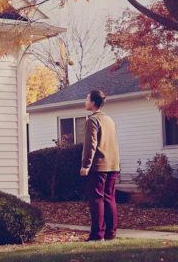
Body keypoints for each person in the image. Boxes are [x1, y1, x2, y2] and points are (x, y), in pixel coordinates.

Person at [80, 89, 120, 241]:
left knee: (97, 199)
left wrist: (85, 165)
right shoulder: (110, 120)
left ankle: (97, 236)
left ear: (93, 102)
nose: (85, 101)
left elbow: (91, 144)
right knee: (109, 198)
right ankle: (111, 234)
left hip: (98, 167)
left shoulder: (93, 120)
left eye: (86, 98)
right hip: (113, 165)